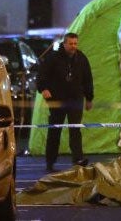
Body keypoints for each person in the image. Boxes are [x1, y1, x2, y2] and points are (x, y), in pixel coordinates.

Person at [36, 32, 94, 171]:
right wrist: (43, 89)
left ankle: (78, 159)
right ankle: (50, 161)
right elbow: (41, 75)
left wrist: (89, 98)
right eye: (71, 44)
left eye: (75, 43)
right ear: (64, 43)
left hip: (76, 99)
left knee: (75, 130)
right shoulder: (53, 58)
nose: (73, 46)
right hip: (57, 100)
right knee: (55, 130)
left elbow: (88, 79)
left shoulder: (81, 58)